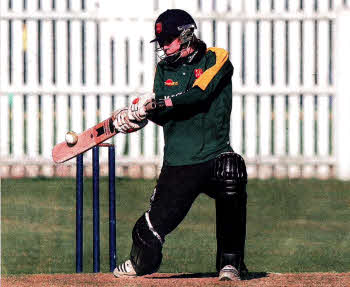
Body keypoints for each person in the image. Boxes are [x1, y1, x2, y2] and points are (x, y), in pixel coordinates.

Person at [112, 9, 248, 281]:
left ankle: (230, 263)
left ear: (187, 35)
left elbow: (199, 94)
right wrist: (142, 115)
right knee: (146, 234)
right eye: (161, 42)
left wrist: (160, 103)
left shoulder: (216, 59)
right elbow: (166, 115)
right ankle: (140, 263)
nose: (163, 46)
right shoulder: (164, 69)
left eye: (169, 40)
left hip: (214, 155)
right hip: (179, 164)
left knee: (232, 169)